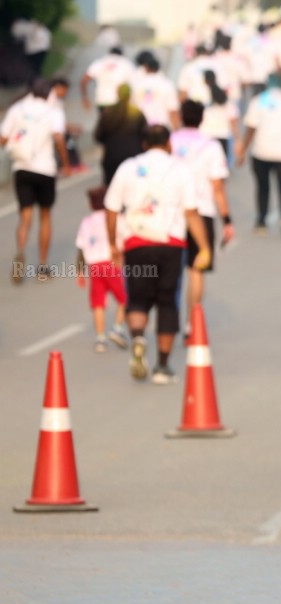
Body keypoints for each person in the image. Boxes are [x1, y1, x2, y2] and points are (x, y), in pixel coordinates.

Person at [104, 124, 212, 384]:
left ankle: (139, 337)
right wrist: (204, 245)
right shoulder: (180, 169)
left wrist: (113, 244)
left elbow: (111, 208)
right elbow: (191, 212)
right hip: (171, 244)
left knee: (138, 299)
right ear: (168, 144)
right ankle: (162, 366)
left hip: (136, 244)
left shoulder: (128, 167)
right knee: (167, 301)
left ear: (143, 144)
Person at [1, 79, 68, 283]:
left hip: (22, 167)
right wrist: (66, 163)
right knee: (45, 216)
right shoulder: (54, 112)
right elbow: (58, 138)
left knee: (25, 216)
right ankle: (42, 265)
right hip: (45, 168)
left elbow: (3, 138)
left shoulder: (17, 109)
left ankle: (21, 250)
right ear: (49, 94)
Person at [171, 100, 234, 312]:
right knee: (196, 270)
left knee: (170, 271)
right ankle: (193, 324)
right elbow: (217, 186)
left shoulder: (169, 141)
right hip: (201, 212)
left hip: (172, 212)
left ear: (181, 116)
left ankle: (169, 320)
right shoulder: (211, 146)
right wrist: (226, 219)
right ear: (202, 119)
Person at [236, 74, 281, 237]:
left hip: (261, 152)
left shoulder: (258, 100)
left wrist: (243, 151)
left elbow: (250, 129)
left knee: (263, 188)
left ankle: (261, 220)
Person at [75, 186, 129, 352]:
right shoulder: (116, 218)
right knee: (126, 298)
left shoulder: (86, 222)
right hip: (111, 263)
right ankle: (117, 329)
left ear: (91, 205)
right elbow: (126, 240)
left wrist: (80, 271)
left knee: (98, 302)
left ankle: (100, 339)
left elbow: (81, 248)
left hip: (94, 266)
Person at [94, 84, 148, 186]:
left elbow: (98, 136)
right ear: (130, 95)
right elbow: (145, 135)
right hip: (134, 157)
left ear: (117, 93)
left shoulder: (107, 112)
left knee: (112, 189)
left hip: (111, 157)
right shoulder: (137, 112)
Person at [131, 54, 180, 129]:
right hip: (161, 128)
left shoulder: (136, 85)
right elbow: (173, 110)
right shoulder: (167, 84)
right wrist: (177, 129)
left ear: (146, 68)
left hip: (141, 127)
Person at [81, 47, 135, 114]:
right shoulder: (126, 64)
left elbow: (84, 80)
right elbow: (134, 83)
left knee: (106, 122)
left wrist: (85, 98)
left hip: (102, 100)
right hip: (119, 102)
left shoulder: (99, 63)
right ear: (122, 54)